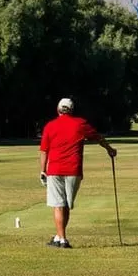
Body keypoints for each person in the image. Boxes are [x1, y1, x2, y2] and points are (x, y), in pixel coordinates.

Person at [38, 97, 117, 248]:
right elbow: (98, 137)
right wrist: (110, 149)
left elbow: (44, 151)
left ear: (58, 110)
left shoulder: (50, 125)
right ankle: (59, 237)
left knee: (58, 205)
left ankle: (62, 239)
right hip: (74, 171)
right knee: (66, 204)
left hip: (55, 170)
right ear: (72, 110)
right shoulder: (80, 123)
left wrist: (42, 171)